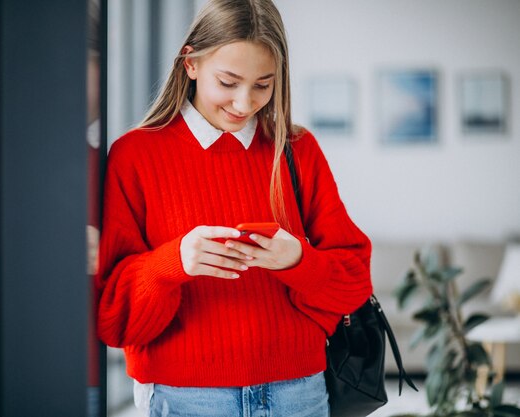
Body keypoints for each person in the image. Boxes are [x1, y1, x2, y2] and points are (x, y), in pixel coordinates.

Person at [96, 0, 372, 415]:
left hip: (298, 392)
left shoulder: (298, 151)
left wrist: (298, 259)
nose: (244, 104)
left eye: (263, 85)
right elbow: (115, 320)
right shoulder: (134, 156)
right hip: (186, 398)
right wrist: (174, 263)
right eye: (228, 82)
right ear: (190, 63)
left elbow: (355, 283)